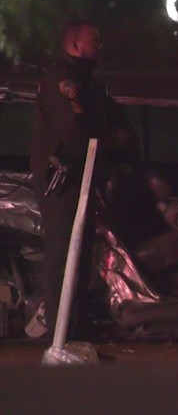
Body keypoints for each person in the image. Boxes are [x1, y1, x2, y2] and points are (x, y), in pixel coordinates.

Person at [28, 19, 132, 339]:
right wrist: (113, 141)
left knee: (80, 256)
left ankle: (72, 328)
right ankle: (61, 334)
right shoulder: (64, 80)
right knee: (64, 256)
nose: (100, 45)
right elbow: (76, 133)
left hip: (82, 181)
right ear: (74, 45)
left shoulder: (87, 82)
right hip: (64, 183)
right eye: (94, 39)